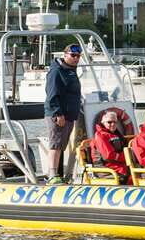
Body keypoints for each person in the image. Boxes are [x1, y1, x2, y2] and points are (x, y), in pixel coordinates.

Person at [43, 43, 83, 184]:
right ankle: (52, 174)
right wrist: (57, 113)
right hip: (59, 115)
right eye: (73, 55)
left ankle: (59, 174)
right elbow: (52, 94)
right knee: (55, 144)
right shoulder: (57, 71)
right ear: (65, 55)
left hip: (69, 115)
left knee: (61, 145)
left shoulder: (70, 70)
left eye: (78, 56)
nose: (76, 58)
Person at [90, 111, 130, 183]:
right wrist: (127, 157)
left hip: (117, 165)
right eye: (109, 122)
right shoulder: (100, 135)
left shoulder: (115, 133)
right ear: (103, 123)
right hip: (105, 167)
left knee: (136, 169)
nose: (113, 124)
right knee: (129, 174)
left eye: (115, 122)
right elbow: (108, 155)